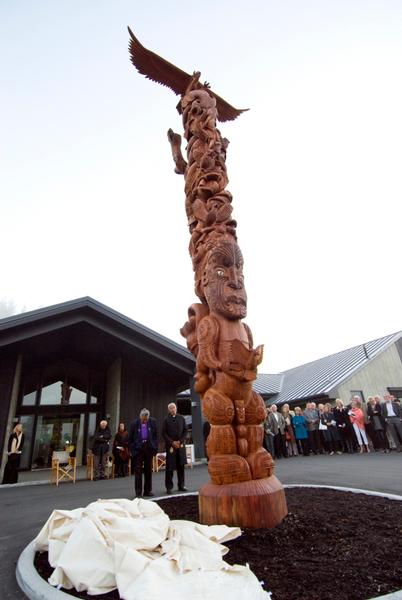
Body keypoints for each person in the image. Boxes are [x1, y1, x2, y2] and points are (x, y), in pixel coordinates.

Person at [129, 408, 158, 497]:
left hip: (148, 449)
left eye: (146, 419)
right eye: (143, 419)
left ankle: (147, 491)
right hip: (138, 450)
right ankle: (138, 492)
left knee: (148, 471)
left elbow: (155, 436)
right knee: (138, 472)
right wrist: (133, 450)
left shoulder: (153, 422)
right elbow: (130, 439)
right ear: (140, 416)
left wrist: (155, 448)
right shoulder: (134, 424)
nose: (145, 421)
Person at [162, 402, 188, 493]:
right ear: (168, 410)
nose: (173, 409)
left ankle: (181, 485)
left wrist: (180, 441)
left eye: (174, 408)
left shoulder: (181, 418)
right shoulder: (166, 420)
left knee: (181, 466)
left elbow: (185, 431)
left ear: (176, 408)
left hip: (180, 446)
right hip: (171, 447)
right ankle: (169, 487)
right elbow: (164, 433)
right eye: (171, 408)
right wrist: (172, 442)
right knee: (170, 468)